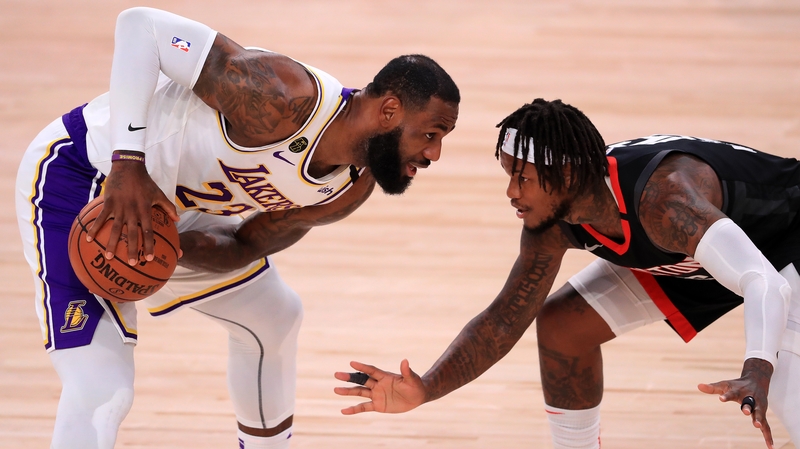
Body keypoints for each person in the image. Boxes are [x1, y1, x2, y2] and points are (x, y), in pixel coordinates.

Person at [15, 6, 459, 449]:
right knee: (102, 388)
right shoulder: (282, 97)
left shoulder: (348, 189)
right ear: (389, 111)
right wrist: (128, 162)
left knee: (273, 317)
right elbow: (140, 27)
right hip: (87, 175)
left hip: (169, 215)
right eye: (430, 134)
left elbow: (243, 246)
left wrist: (170, 249)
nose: (434, 154)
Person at [333, 98, 800, 449]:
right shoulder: (551, 221)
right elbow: (502, 321)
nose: (512, 192)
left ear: (568, 175)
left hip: (784, 247)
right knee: (562, 325)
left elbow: (764, 282)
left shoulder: (664, 199)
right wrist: (428, 387)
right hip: (692, 259)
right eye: (508, 175)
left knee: (781, 390)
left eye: (523, 177)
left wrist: (757, 367)